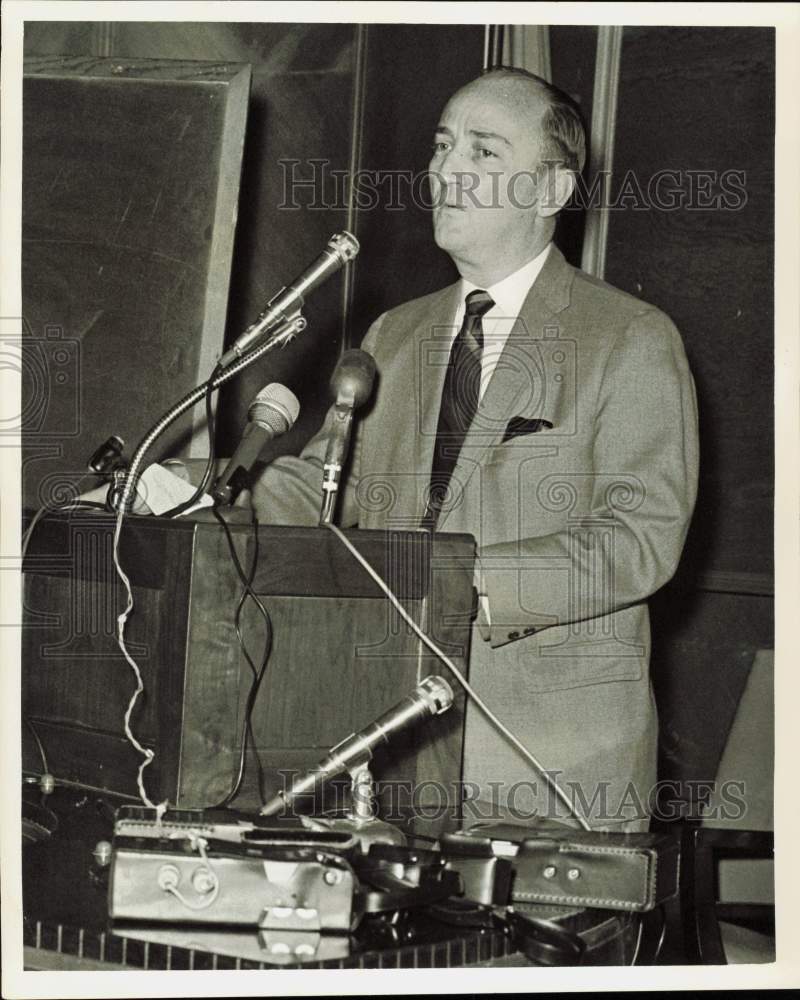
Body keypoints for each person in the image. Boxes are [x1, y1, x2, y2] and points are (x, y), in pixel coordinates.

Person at [249, 68, 699, 833]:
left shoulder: (630, 338)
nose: (445, 170)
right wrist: (194, 491)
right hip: (390, 752)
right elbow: (325, 486)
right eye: (442, 146)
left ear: (550, 191)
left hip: (550, 772)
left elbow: (640, 539)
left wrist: (457, 581)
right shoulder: (396, 333)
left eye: (483, 153)